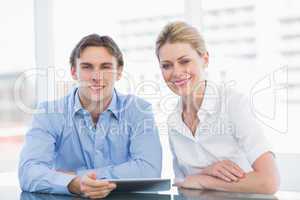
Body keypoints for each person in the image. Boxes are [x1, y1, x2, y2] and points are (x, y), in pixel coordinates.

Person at [19, 34, 162, 198]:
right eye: (87, 67)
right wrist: (74, 184)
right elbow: (28, 171)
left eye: (105, 67)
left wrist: (76, 175)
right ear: (74, 72)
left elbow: (149, 170)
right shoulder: (49, 113)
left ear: (119, 72)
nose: (96, 76)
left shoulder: (138, 110)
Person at [155, 21, 280, 194]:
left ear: (205, 59)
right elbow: (184, 183)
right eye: (166, 65)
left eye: (184, 61)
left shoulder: (232, 104)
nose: (176, 72)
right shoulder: (174, 122)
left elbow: (269, 182)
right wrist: (202, 175)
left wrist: (204, 180)